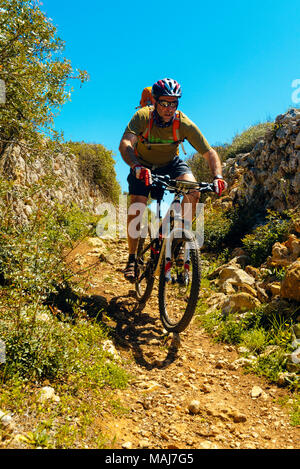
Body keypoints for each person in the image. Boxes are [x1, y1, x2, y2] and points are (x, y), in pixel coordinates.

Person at [119, 78, 227, 282]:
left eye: (173, 103)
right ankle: (132, 258)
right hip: (142, 164)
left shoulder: (182, 122)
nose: (169, 108)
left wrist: (218, 176)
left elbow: (209, 152)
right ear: (155, 101)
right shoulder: (143, 116)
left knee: (193, 191)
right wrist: (136, 166)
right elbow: (125, 143)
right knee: (138, 206)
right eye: (164, 103)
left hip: (170, 163)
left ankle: (178, 240)